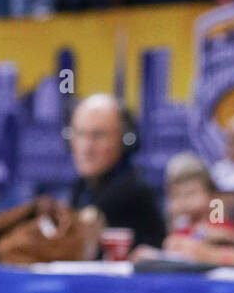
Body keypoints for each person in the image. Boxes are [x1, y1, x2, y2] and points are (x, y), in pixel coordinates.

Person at [67, 93, 165, 249]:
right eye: (79, 134)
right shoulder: (80, 187)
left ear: (126, 140)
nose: (86, 148)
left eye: (98, 136)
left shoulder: (132, 189)